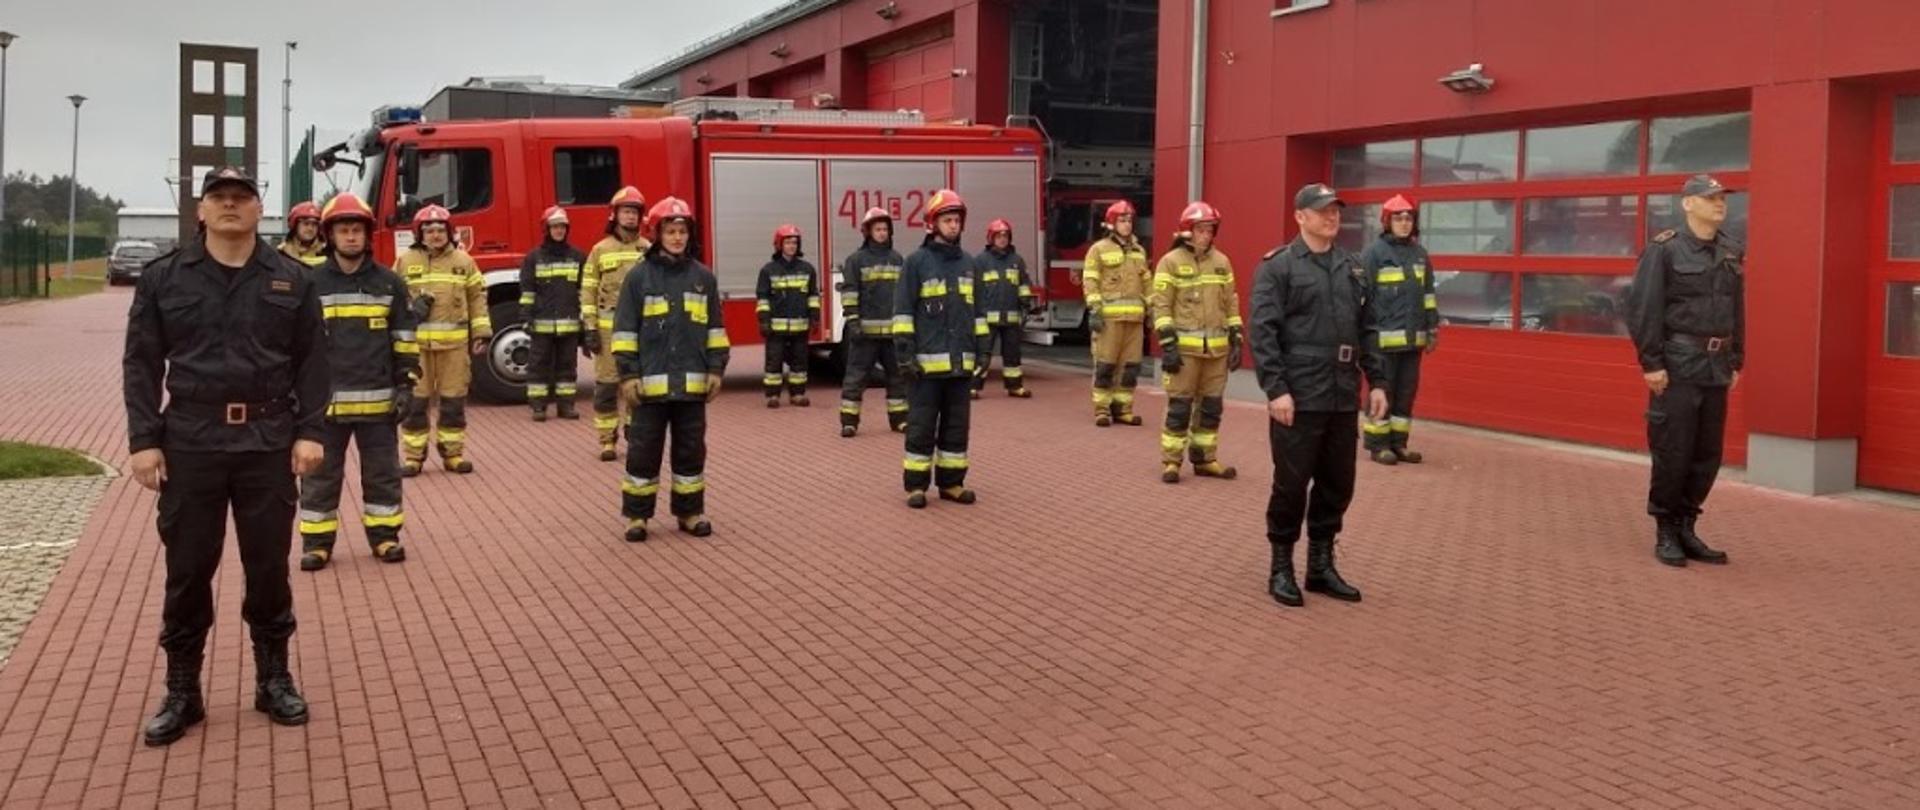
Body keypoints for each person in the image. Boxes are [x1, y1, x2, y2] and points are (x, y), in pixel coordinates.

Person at [123, 167, 326, 745]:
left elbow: (314, 362)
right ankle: (183, 691)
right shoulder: (164, 279)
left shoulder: (293, 279)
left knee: (268, 567)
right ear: (202, 211)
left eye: (242, 197)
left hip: (266, 442)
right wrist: (144, 440)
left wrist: (310, 431)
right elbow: (140, 363)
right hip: (190, 442)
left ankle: (273, 678)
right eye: (220, 197)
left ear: (259, 209)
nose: (231, 205)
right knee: (188, 572)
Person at [1249, 183, 1389, 608]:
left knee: (1337, 485)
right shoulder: (1280, 267)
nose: (1331, 217)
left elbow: (1369, 327)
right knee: (1291, 485)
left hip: (1342, 394)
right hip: (1299, 394)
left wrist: (1378, 381)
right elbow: (1263, 331)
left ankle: (1320, 567)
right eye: (1322, 210)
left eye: (1335, 211)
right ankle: (1281, 566)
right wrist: (1276, 389)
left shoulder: (1353, 268)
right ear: (1300, 216)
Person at [1624, 174, 1742, 567]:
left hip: (1716, 367)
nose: (1720, 204)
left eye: (1723, 198)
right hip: (1676, 366)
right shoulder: (1665, 250)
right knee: (1673, 451)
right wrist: (1651, 363)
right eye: (1711, 198)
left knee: (1707, 454)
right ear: (1688, 204)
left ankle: (1688, 525)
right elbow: (1644, 308)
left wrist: (1737, 358)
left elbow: (1735, 310)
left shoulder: (1729, 250)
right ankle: (1665, 529)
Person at [295, 192, 418, 571]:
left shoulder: (390, 284)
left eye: (357, 230)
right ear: (330, 235)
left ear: (367, 235)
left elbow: (404, 339)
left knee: (382, 476)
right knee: (319, 477)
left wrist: (407, 384)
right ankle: (317, 544)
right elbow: (297, 345)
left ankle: (385, 538)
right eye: (343, 230)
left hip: (379, 405)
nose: (351, 237)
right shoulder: (309, 282)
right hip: (325, 408)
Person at [612, 197, 730, 542]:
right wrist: (628, 375)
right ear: (657, 232)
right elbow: (623, 331)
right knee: (643, 451)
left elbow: (715, 330)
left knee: (690, 451)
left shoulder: (703, 278)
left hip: (691, 386)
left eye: (682, 231)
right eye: (670, 230)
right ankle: (637, 517)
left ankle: (689, 512)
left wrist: (716, 369)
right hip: (648, 388)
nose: (677, 237)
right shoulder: (638, 277)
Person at [895, 189, 985, 508]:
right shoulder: (916, 263)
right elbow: (904, 314)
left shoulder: (969, 264)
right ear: (933, 224)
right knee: (921, 426)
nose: (953, 226)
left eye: (957, 220)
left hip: (961, 366)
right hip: (924, 369)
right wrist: (905, 357)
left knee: (956, 428)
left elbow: (978, 315)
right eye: (947, 220)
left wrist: (983, 356)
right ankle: (916, 486)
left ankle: (951, 483)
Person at [1149, 201, 1242, 483]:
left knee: (1211, 408)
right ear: (1187, 231)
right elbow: (1161, 305)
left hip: (1215, 352)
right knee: (1180, 407)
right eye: (1201, 229)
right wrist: (1168, 345)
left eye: (1210, 229)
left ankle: (1205, 459)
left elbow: (1231, 302)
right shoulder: (1171, 261)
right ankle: (1171, 462)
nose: (1206, 235)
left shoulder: (1222, 262)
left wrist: (1236, 338)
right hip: (1184, 352)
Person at [397, 205, 491, 475]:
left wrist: (481, 332)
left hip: (455, 347)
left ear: (449, 233)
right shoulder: (405, 261)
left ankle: (453, 455)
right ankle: (414, 457)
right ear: (419, 234)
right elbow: (394, 299)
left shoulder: (464, 261)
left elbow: (477, 297)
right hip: (417, 349)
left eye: (440, 230)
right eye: (429, 230)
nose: (436, 235)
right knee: (415, 404)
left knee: (453, 403)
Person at [1358, 194, 1439, 465]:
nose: (1404, 223)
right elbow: (1363, 297)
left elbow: (1428, 295)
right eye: (1398, 218)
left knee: (1405, 395)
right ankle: (1377, 444)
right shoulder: (1373, 254)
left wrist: (1431, 328)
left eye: (1408, 218)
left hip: (1412, 341)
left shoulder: (1420, 255)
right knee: (1383, 392)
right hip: (1382, 342)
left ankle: (1399, 443)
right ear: (1386, 221)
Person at [582, 186, 651, 460]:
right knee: (606, 388)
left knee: (637, 386)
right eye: (626, 212)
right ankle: (607, 440)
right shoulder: (599, 250)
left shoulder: (649, 249)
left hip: (642, 332)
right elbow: (588, 290)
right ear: (615, 215)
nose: (630, 217)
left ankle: (635, 435)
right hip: (608, 332)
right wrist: (589, 327)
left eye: (634, 212)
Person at [838, 207, 910, 437]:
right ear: (868, 232)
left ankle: (899, 420)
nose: (882, 233)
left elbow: (905, 295)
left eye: (885, 229)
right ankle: (849, 422)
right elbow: (849, 295)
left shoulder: (898, 259)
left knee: (898, 379)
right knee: (855, 378)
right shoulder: (856, 260)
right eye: (878, 229)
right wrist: (854, 323)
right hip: (865, 335)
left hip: (892, 334)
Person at [1082, 201, 1152, 426]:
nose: (1127, 224)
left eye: (1130, 220)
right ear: (1111, 223)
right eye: (1122, 220)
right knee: (1106, 365)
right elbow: (1090, 280)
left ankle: (1123, 409)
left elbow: (1147, 283)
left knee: (1130, 367)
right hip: (1109, 320)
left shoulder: (1139, 251)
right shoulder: (1099, 249)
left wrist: (1152, 310)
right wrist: (1094, 309)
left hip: (1134, 321)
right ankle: (1102, 409)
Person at [519, 206, 587, 422]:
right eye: (555, 227)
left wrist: (585, 320)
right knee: (539, 366)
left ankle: (566, 406)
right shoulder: (534, 258)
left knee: (567, 367)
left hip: (569, 323)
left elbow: (584, 290)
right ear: (546, 229)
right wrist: (526, 317)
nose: (559, 231)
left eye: (562, 227)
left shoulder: (577, 256)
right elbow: (527, 291)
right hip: (542, 323)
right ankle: (538, 407)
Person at [756, 224, 820, 407]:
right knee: (773, 362)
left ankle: (797, 394)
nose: (792, 246)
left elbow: (812, 295)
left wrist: (814, 316)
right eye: (788, 242)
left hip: (800, 326)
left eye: (794, 242)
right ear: (779, 245)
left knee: (800, 361)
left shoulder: (807, 269)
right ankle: (773, 395)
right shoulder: (768, 270)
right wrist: (764, 321)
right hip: (776, 327)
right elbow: (763, 297)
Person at [971, 218, 1035, 399]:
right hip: (987, 318)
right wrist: (976, 313)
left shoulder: (1017, 260)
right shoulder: (980, 261)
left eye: (1005, 236)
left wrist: (1025, 303)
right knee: (982, 354)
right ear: (991, 238)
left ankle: (1015, 386)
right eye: (998, 236)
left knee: (1013, 355)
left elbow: (1023, 284)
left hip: (1011, 317)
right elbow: (975, 290)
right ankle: (973, 387)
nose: (1002, 239)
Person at [278, 201, 326, 267]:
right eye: (306, 224)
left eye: (314, 224)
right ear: (295, 226)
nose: (310, 228)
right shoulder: (281, 253)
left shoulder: (327, 252)